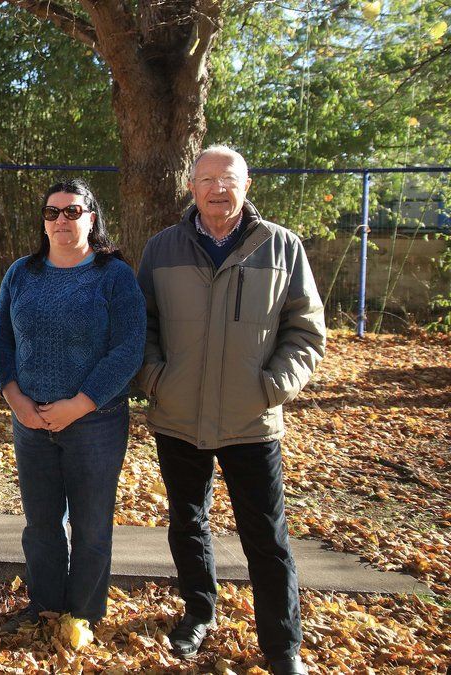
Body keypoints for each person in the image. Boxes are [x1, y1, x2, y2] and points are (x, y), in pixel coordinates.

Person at [137, 145, 325, 675]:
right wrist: (155, 378)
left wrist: (274, 386)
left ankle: (283, 646)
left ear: (248, 185)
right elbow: (141, 324)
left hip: (250, 420)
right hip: (178, 416)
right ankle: (198, 613)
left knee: (266, 536)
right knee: (187, 522)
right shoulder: (162, 248)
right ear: (191, 187)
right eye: (207, 179)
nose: (218, 188)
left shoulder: (281, 246)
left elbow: (306, 331)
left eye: (229, 179)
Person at [0, 179, 146, 632]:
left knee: (91, 528)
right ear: (43, 222)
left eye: (73, 211)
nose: (61, 220)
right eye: (52, 212)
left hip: (95, 423)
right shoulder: (22, 273)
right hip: (30, 421)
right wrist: (14, 398)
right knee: (40, 526)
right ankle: (44, 608)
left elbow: (129, 348)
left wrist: (79, 404)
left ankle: (84, 615)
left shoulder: (114, 276)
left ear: (91, 218)